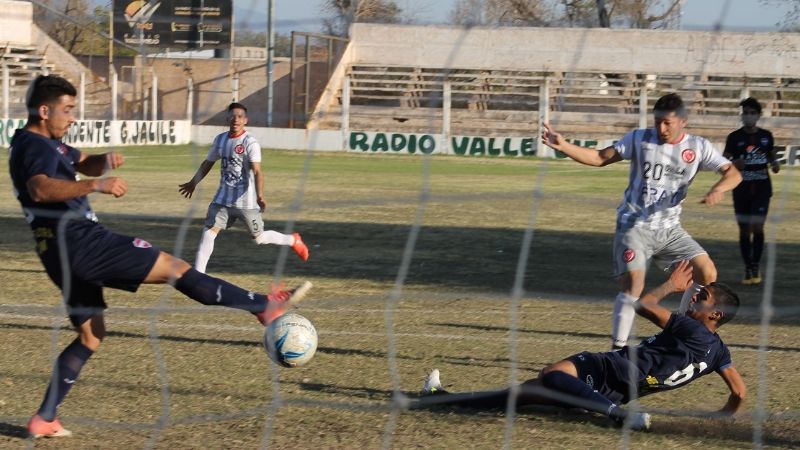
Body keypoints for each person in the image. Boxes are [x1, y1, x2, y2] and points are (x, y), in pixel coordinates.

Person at [9, 75, 312, 438]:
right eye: (68, 110)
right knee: (176, 268)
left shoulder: (48, 144)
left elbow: (83, 160)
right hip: (83, 243)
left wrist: (102, 162)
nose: (72, 117)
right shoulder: (34, 145)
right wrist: (96, 184)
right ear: (44, 111)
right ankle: (262, 306)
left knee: (91, 336)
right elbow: (39, 188)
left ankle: (44, 418)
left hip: (59, 256)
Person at [416, 261, 746, 431]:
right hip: (621, 388)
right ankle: (441, 400)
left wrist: (671, 285)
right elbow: (740, 391)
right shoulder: (719, 351)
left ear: (715, 313)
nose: (692, 300)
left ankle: (618, 416)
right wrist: (723, 417)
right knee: (525, 392)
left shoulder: (690, 328)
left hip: (611, 371)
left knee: (550, 373)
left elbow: (643, 304)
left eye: (700, 298)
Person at [541, 93, 742, 349]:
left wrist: (720, 189)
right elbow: (601, 158)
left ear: (683, 122)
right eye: (657, 121)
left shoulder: (698, 147)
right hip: (634, 226)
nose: (661, 128)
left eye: (667, 123)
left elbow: (733, 173)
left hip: (670, 230)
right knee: (634, 284)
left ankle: (680, 328)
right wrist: (564, 146)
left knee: (707, 272)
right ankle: (619, 349)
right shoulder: (639, 139)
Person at [178, 102, 309, 273]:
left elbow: (257, 171)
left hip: (245, 202)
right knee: (208, 233)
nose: (235, 119)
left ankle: (293, 240)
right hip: (222, 200)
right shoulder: (220, 140)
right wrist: (193, 182)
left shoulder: (250, 142)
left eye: (240, 116)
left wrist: (260, 196)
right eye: (232, 116)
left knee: (259, 238)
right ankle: (199, 275)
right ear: (227, 118)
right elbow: (208, 163)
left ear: (245, 120)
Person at [723, 97, 780, 285]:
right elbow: (722, 161)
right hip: (741, 188)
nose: (748, 116)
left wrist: (774, 163)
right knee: (744, 230)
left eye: (751, 113)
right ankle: (748, 266)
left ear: (758, 115)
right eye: (745, 113)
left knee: (758, 226)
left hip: (762, 188)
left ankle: (755, 265)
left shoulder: (766, 135)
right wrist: (733, 164)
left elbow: (771, 154)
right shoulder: (734, 137)